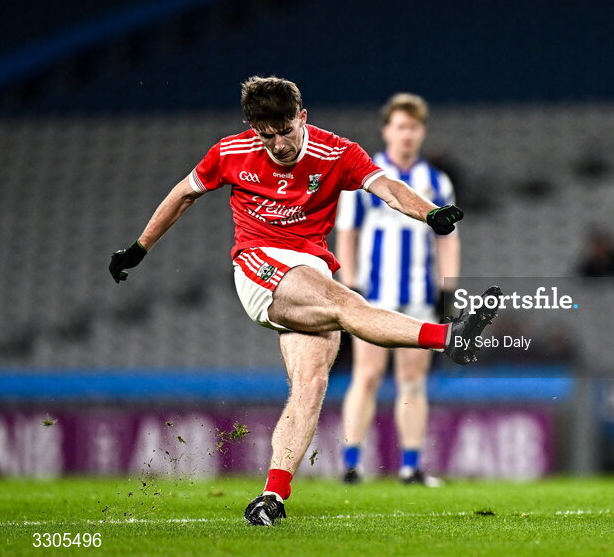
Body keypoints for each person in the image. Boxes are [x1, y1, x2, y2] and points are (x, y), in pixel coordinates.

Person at [108, 76, 503, 526]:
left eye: (285, 131)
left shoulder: (337, 152)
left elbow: (389, 188)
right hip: (260, 265)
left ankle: (272, 496)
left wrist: (430, 212)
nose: (277, 144)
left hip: (310, 272)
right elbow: (183, 194)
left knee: (311, 385)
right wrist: (139, 249)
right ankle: (448, 337)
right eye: (266, 134)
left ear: (303, 117)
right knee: (345, 303)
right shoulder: (230, 152)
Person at [334, 93, 456, 486]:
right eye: (400, 126)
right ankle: (351, 464)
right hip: (374, 296)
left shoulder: (436, 181)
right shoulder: (366, 176)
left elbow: (448, 240)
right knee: (366, 376)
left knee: (413, 380)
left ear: (422, 132)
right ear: (387, 130)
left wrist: (448, 288)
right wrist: (349, 286)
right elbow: (347, 235)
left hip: (418, 296)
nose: (407, 135)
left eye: (414, 128)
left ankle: (411, 466)